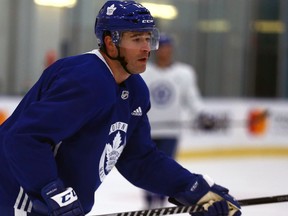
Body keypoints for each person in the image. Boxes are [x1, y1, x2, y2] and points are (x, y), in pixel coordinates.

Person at [0, 1, 241, 216]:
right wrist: (53, 191)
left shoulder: (135, 90)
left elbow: (140, 158)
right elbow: (23, 138)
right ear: (110, 43)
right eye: (137, 39)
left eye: (149, 38)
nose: (146, 48)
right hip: (16, 199)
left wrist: (191, 187)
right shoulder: (86, 79)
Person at [141, 33, 202, 208]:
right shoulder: (144, 71)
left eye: (167, 48)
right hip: (147, 130)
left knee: (165, 167)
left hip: (170, 131)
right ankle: (149, 201)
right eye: (161, 48)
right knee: (145, 167)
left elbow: (192, 99)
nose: (164, 52)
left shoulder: (184, 73)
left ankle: (159, 201)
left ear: (172, 49)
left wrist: (201, 114)